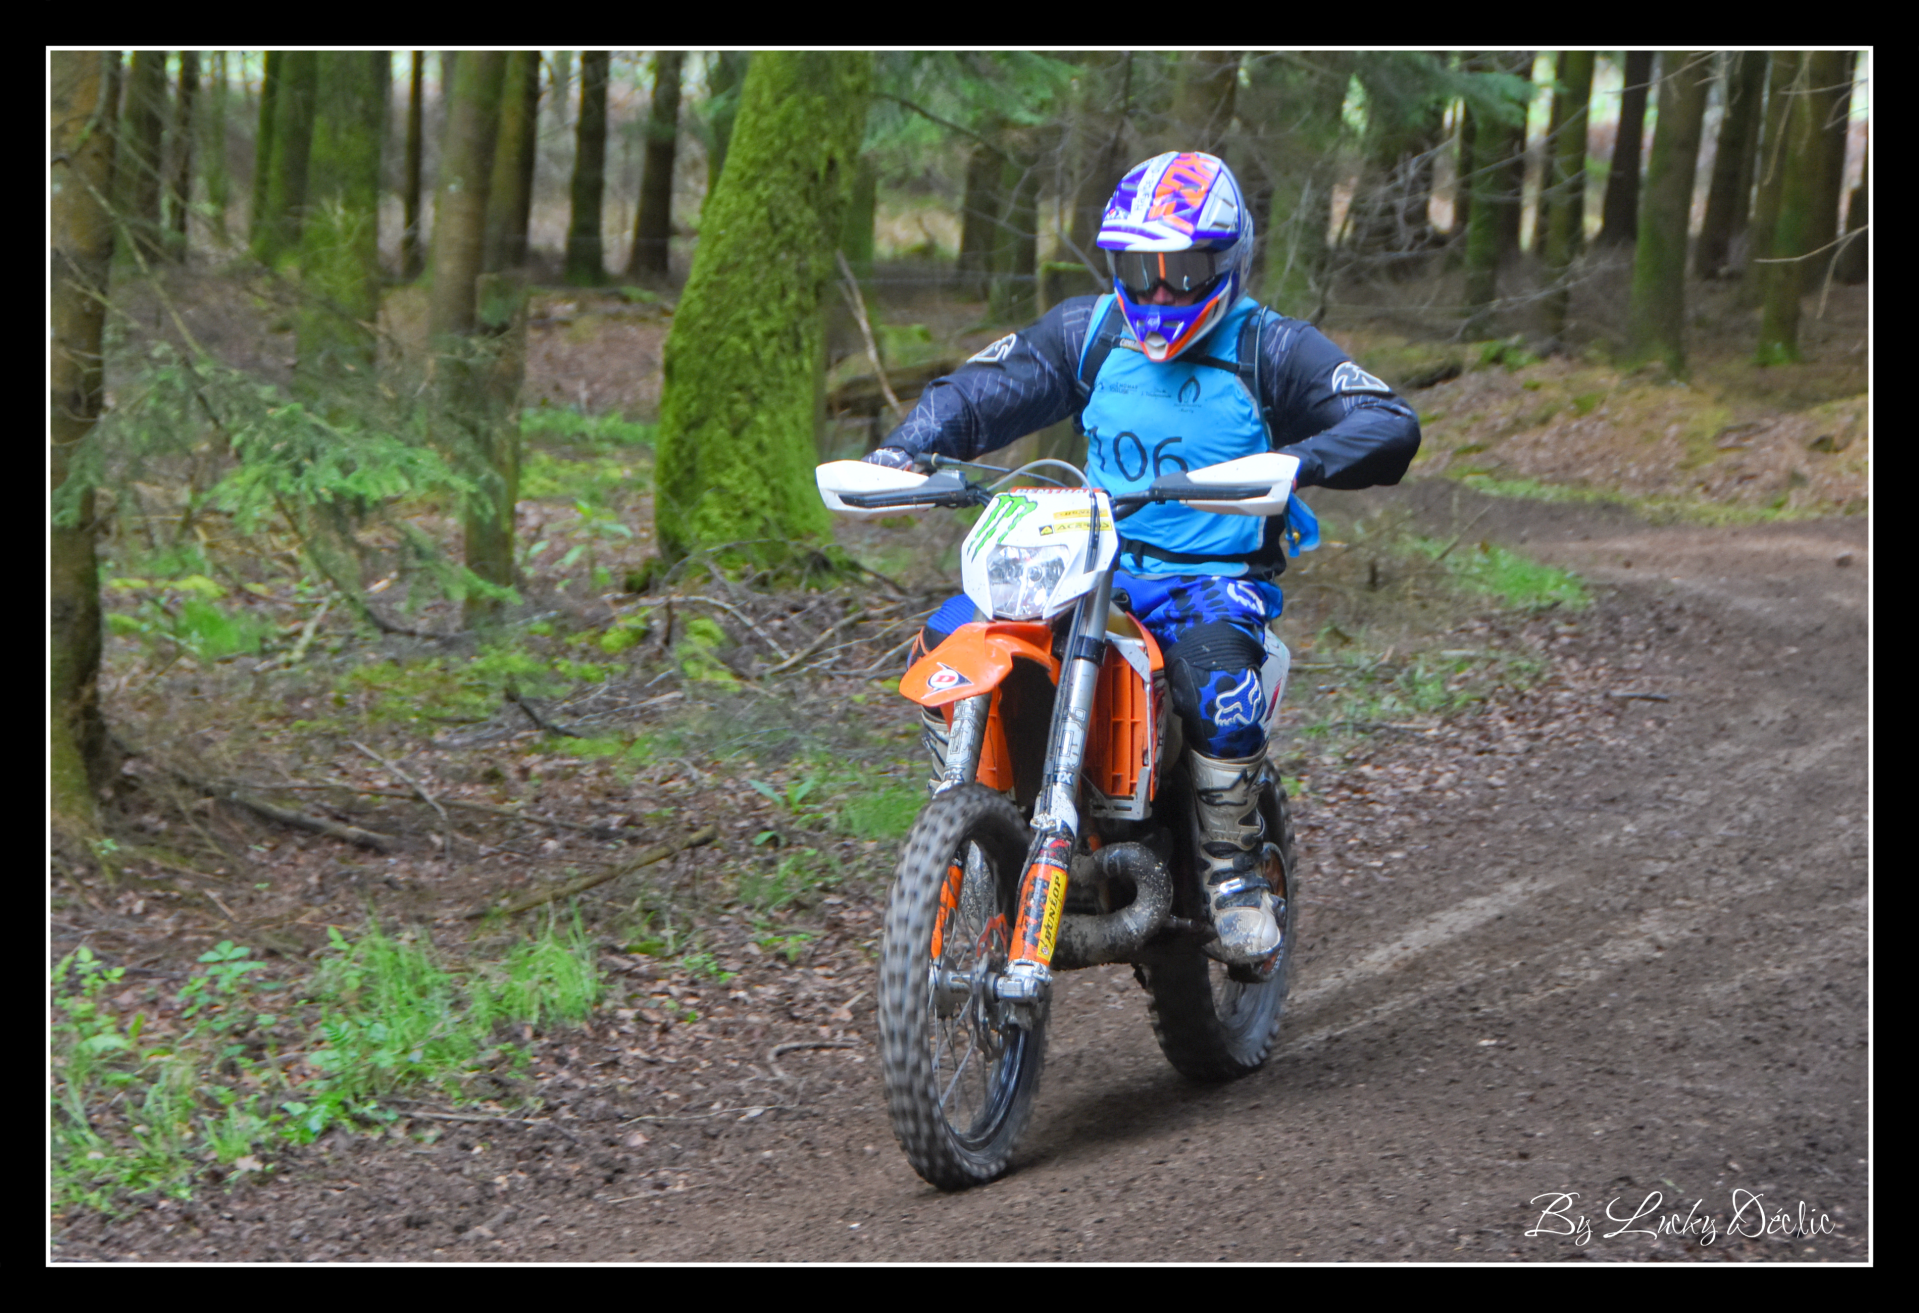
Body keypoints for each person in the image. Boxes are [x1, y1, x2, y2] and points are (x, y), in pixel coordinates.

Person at [865, 151, 1420, 964]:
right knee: (945, 637)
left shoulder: (1269, 347)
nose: (1158, 294)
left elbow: (1388, 422)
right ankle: (970, 820)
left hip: (1210, 581)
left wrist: (1298, 462)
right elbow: (986, 388)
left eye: (1181, 273)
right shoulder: (1089, 332)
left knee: (1219, 680)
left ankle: (1231, 871)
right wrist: (908, 447)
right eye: (1139, 271)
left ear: (1225, 262)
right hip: (1089, 566)